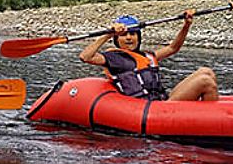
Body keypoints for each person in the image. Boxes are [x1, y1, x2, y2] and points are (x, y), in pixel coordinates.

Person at [78, 12, 218, 101]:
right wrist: (108, 34)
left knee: (206, 72)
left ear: (138, 37)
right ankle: (215, 124)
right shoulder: (113, 58)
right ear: (116, 39)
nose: (128, 38)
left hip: (162, 101)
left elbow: (173, 48)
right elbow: (86, 57)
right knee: (205, 81)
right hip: (149, 107)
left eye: (132, 34)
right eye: (124, 35)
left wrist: (186, 25)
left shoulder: (148, 56)